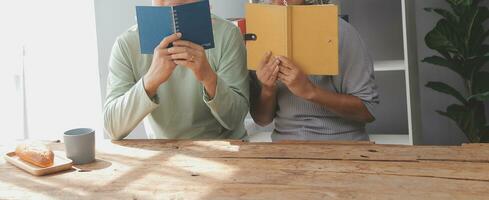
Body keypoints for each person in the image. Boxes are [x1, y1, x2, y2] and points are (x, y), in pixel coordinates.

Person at [104, 0, 249, 140]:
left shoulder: (228, 34)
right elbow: (113, 128)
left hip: (224, 149)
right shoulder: (127, 44)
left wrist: (208, 77)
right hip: (164, 152)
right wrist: (150, 81)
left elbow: (235, 120)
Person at [250, 0, 379, 141]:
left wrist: (310, 91)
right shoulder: (261, 37)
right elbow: (261, 120)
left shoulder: (340, 32)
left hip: (342, 142)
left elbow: (368, 111)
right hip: (286, 146)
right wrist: (268, 89)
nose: (279, 2)